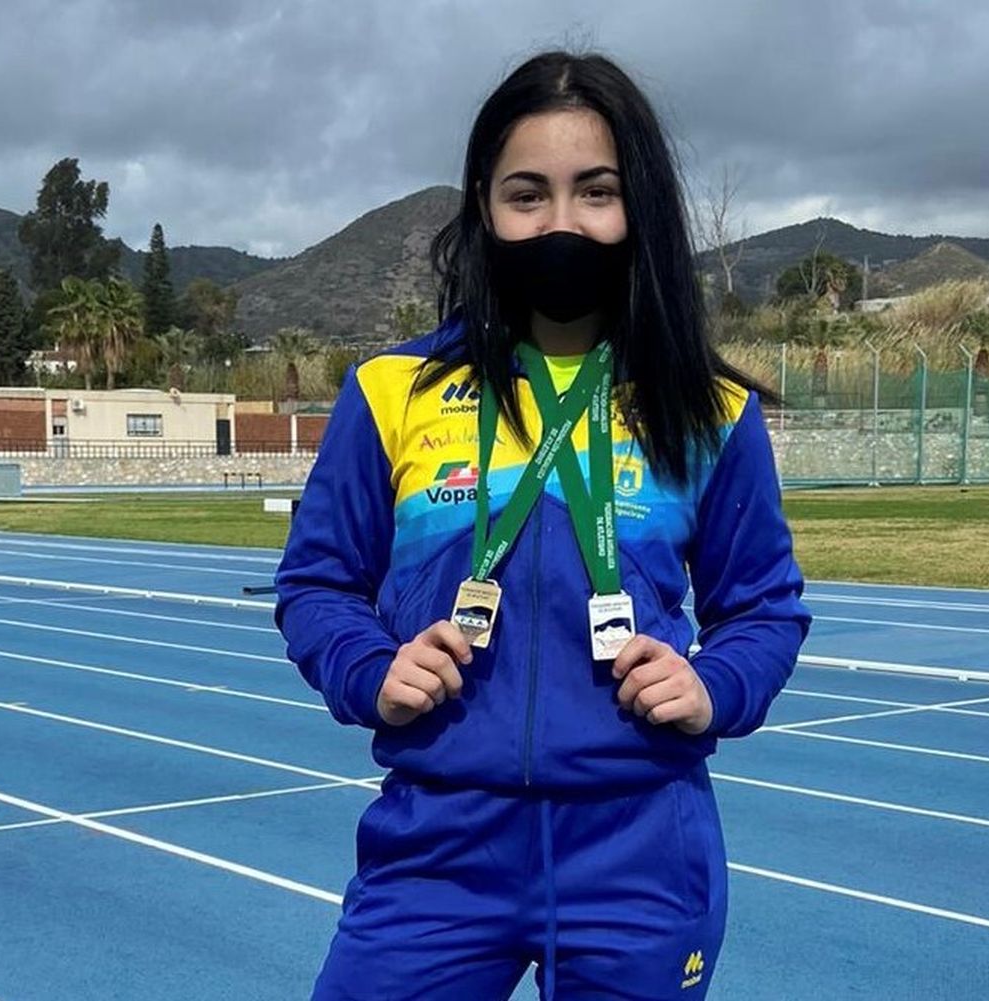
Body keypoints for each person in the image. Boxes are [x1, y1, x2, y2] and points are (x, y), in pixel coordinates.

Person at [276, 50, 811, 1001]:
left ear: (636, 205)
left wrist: (713, 686)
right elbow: (317, 585)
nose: (560, 221)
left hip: (640, 846)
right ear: (484, 205)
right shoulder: (392, 390)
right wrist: (369, 668)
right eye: (528, 193)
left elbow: (765, 607)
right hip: (438, 843)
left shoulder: (709, 409)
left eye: (594, 191)